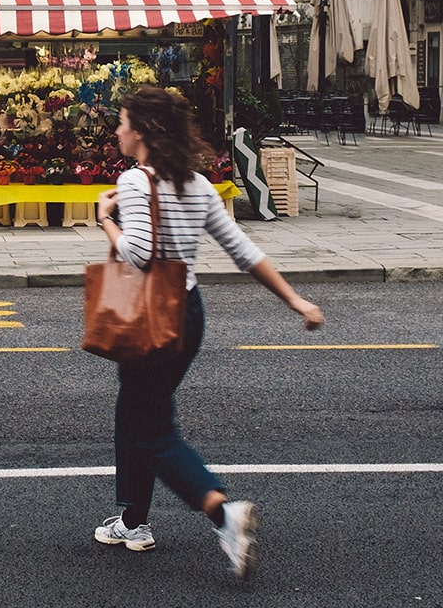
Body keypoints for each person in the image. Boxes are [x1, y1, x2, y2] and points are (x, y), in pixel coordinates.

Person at [92, 85, 324, 579]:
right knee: (137, 410)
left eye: (123, 122)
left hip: (150, 315)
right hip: (189, 313)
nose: (117, 131)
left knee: (152, 428)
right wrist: (294, 299)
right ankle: (133, 520)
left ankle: (222, 513)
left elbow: (139, 254)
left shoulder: (133, 181)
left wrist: (104, 220)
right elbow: (243, 251)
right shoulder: (197, 184)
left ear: (143, 131)